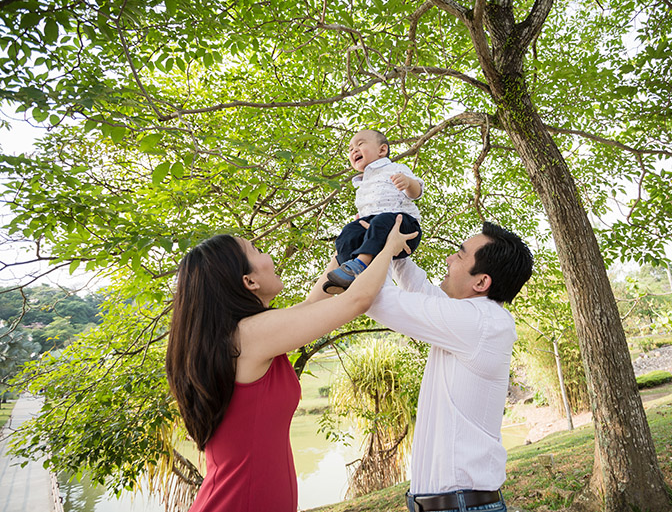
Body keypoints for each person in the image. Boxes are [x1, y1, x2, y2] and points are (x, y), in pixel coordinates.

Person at [165, 216, 417, 512]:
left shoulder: (244, 335)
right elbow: (356, 301)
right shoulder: (250, 335)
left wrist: (343, 253)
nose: (268, 256)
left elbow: (313, 304)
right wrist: (386, 248)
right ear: (249, 281)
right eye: (257, 251)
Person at [367, 221, 533, 512]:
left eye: (459, 254)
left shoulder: (478, 323)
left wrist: (375, 248)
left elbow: (373, 298)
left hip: (459, 506)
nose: (448, 258)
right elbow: (419, 292)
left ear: (481, 282)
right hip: (454, 505)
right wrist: (397, 248)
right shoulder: (475, 317)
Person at [324, 129, 424, 294]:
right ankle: (346, 273)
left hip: (404, 227)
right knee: (348, 231)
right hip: (375, 232)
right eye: (350, 149)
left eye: (360, 144)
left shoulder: (395, 168)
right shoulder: (362, 183)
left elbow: (416, 192)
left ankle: (360, 264)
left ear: (382, 150)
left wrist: (408, 182)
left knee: (381, 220)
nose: (354, 150)